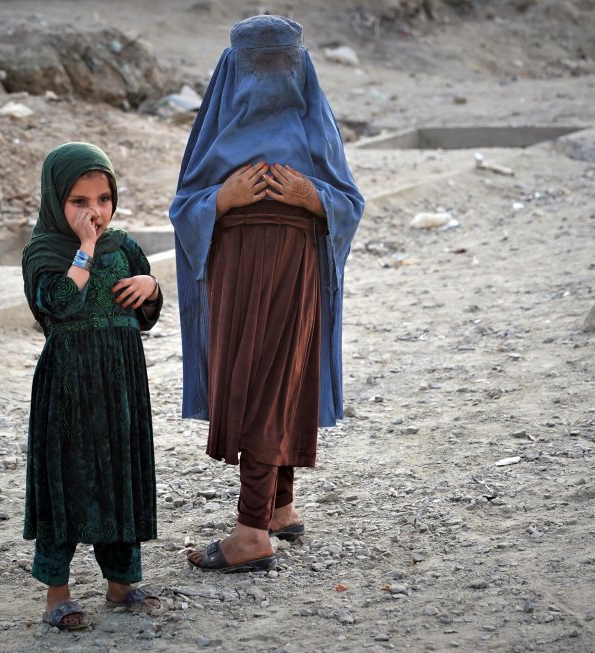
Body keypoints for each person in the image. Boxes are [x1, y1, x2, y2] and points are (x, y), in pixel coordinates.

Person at [169, 15, 364, 573]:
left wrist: (311, 194)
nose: (272, 75)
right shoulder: (217, 128)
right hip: (236, 269)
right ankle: (278, 507)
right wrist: (223, 199)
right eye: (259, 63)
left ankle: (250, 534)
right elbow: (185, 204)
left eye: (283, 62)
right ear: (234, 67)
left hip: (295, 266)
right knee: (263, 376)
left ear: (299, 63)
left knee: (272, 379)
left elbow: (349, 199)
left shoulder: (314, 123)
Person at [21, 142, 163, 628]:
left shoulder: (123, 246)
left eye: (102, 199)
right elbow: (56, 303)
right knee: (67, 480)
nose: (94, 212)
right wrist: (83, 250)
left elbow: (144, 315)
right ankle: (57, 594)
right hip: (68, 388)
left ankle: (121, 582)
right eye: (79, 202)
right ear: (55, 199)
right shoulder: (43, 251)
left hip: (120, 383)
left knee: (119, 475)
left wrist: (152, 286)